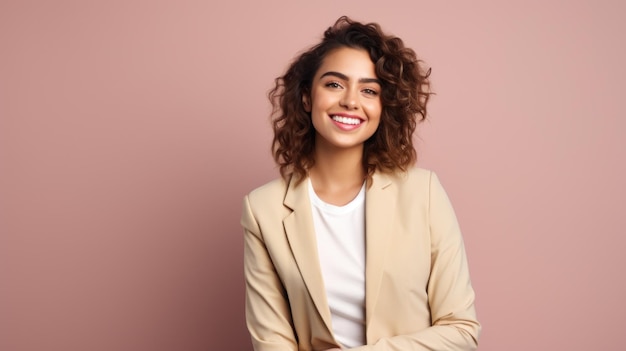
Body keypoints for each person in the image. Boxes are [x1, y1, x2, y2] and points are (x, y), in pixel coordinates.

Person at [241, 16, 480, 351]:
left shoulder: (423, 193)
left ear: (384, 107)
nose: (351, 101)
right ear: (307, 97)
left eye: (369, 90)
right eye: (334, 84)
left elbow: (462, 330)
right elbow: (272, 342)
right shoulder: (262, 210)